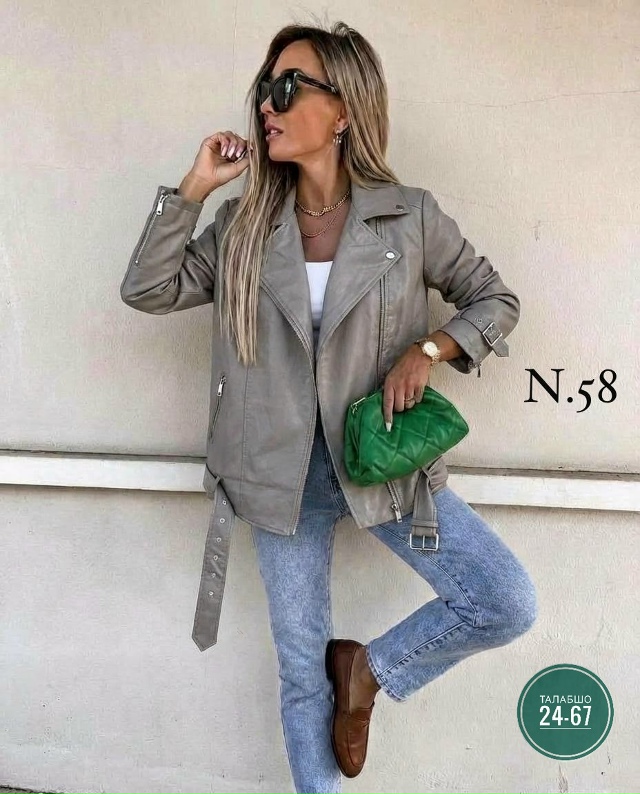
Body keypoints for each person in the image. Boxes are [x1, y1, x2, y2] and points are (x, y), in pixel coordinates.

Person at [120, 19, 538, 794]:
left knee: (503, 600)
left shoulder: (408, 217)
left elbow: (494, 300)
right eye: (265, 88)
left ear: (343, 110)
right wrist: (194, 189)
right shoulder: (244, 226)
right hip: (276, 477)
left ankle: (369, 670)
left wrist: (429, 349)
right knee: (299, 673)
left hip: (382, 462)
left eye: (288, 87)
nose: (267, 105)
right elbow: (148, 288)